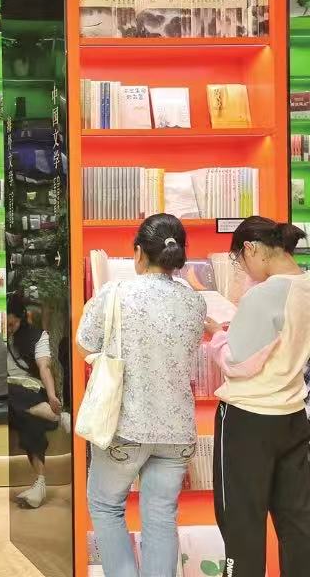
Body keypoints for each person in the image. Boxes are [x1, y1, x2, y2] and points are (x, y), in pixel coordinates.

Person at [76, 214, 207, 577]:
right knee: (162, 517)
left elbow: (84, 343)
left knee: (106, 506)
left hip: (124, 426)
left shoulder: (115, 293)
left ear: (138, 253)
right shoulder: (195, 302)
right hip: (177, 430)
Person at [203, 217, 310, 577]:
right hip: (293, 413)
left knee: (242, 523)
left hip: (248, 420)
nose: (242, 269)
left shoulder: (264, 295)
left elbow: (238, 363)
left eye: (238, 260)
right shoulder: (306, 285)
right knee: (297, 523)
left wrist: (218, 335)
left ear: (250, 249)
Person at [7, 294, 70, 509]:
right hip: (10, 394)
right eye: (6, 324)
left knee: (17, 401)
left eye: (12, 324)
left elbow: (44, 367)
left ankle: (39, 485)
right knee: (28, 419)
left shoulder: (37, 336)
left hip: (30, 390)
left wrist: (51, 395)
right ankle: (58, 418)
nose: (9, 329)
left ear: (22, 318)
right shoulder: (0, 336)